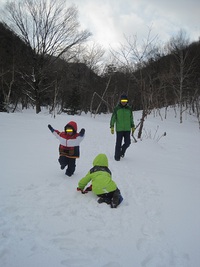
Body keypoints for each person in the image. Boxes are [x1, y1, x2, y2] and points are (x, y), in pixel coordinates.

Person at [110, 94, 135, 161]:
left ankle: (122, 151)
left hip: (127, 129)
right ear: (120, 100)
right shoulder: (117, 108)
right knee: (118, 143)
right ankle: (117, 156)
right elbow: (113, 118)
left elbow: (131, 118)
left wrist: (132, 126)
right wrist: (112, 126)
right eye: (122, 100)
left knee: (128, 143)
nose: (123, 102)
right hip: (119, 129)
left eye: (125, 101)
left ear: (127, 101)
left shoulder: (129, 109)